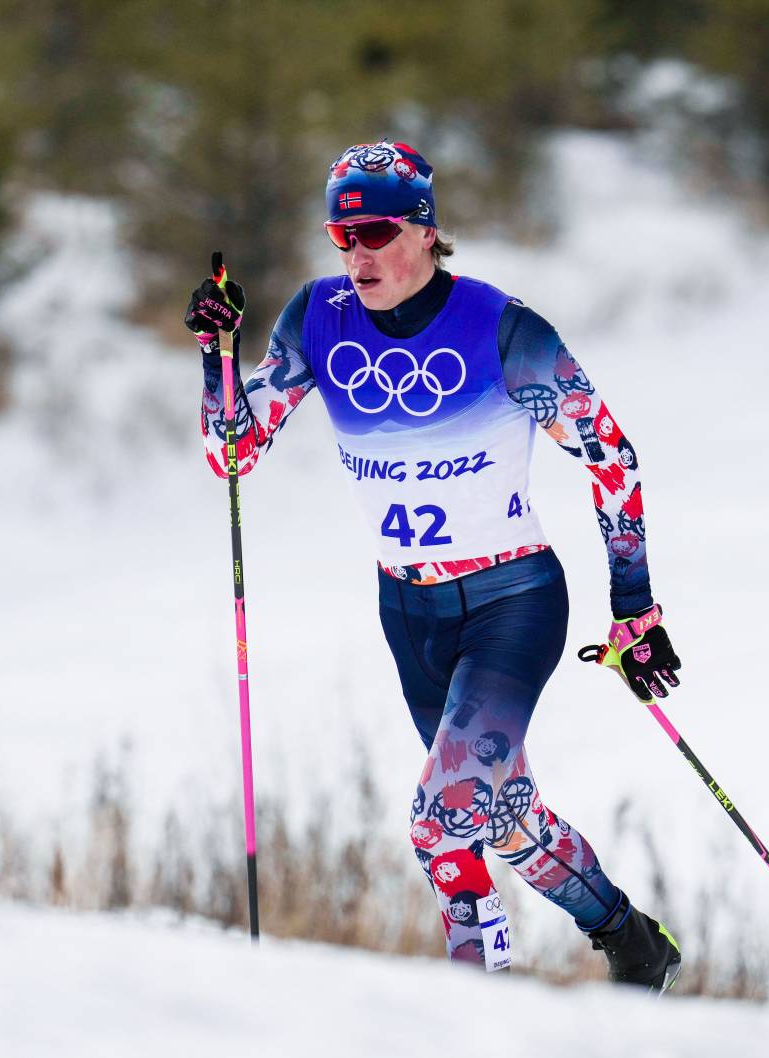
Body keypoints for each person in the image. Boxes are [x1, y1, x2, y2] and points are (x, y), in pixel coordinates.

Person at [185, 140, 684, 990]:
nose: (356, 252)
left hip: (511, 601)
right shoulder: (317, 317)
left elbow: (612, 457)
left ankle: (476, 1016)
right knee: (499, 814)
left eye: (375, 231)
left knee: (441, 823)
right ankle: (630, 938)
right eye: (341, 235)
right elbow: (233, 452)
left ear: (424, 229)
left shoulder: (504, 330)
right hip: (408, 610)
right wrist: (215, 354)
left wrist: (634, 607)